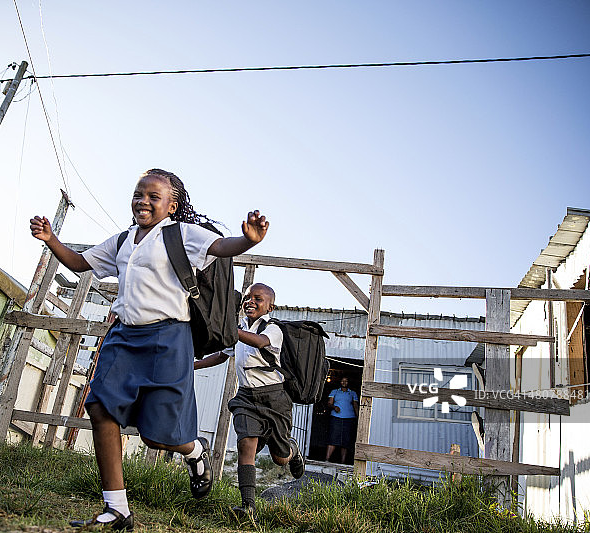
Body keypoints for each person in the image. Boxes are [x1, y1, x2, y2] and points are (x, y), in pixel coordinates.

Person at [30, 168, 269, 531]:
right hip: (124, 336)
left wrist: (247, 241)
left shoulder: (182, 234)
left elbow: (220, 248)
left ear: (171, 205)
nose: (142, 201)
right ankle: (116, 508)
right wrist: (51, 239)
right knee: (99, 407)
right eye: (138, 194)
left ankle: (194, 450)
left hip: (168, 339)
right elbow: (81, 263)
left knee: (157, 435)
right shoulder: (123, 240)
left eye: (153, 196)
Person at [194, 283, 305, 518]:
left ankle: (292, 450)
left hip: (274, 398)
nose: (250, 301)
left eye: (258, 298)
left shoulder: (274, 328)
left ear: (270, 307)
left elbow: (258, 342)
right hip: (246, 396)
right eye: (247, 298)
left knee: (280, 458)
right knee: (246, 445)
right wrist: (192, 365)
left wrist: (230, 329)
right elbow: (222, 356)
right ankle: (248, 505)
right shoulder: (241, 327)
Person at [325, 377, 359, 464]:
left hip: (349, 418)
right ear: (340, 382)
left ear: (348, 382)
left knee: (345, 441)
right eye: (342, 380)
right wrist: (334, 407)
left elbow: (355, 405)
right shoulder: (335, 391)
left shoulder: (352, 393)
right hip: (336, 417)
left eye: (346, 381)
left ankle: (343, 462)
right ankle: (327, 459)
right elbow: (329, 403)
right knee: (333, 438)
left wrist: (358, 417)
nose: (344, 382)